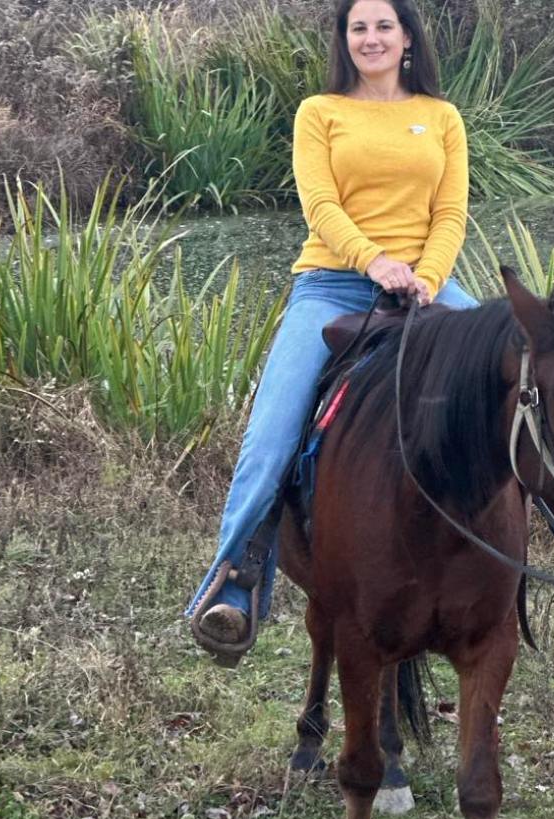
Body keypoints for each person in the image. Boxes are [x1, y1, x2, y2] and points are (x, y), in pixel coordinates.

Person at [185, 0, 475, 666]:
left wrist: (426, 277)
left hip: (430, 283)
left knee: (517, 371)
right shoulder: (320, 112)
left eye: (383, 26)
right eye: (358, 28)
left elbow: (452, 213)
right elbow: (320, 203)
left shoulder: (442, 117)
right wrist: (375, 261)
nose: (371, 37)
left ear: (407, 38)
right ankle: (235, 586)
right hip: (333, 285)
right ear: (345, 42)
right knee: (272, 430)